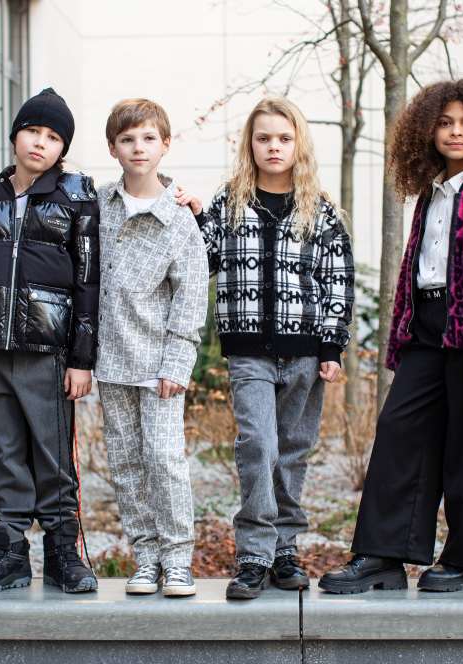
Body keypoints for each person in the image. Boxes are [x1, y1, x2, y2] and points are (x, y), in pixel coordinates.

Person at [319, 79, 463, 595]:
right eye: (445, 123)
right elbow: (417, 268)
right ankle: (382, 556)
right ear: (428, 129)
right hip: (426, 329)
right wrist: (402, 332)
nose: (455, 132)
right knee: (398, 434)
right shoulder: (431, 190)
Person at [192, 97, 354, 600]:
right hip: (249, 353)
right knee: (258, 445)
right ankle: (254, 554)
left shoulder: (319, 210)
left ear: (297, 143)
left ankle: (286, 548)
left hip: (305, 349)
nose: (274, 147)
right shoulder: (230, 202)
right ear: (251, 144)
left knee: (292, 451)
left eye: (283, 138)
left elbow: (337, 280)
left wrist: (331, 345)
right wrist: (190, 216)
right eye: (264, 138)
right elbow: (201, 256)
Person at [0, 88, 100, 595]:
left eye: (53, 136)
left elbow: (88, 283)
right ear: (15, 134)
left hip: (51, 350)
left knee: (53, 451)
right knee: (5, 448)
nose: (40, 142)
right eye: (33, 131)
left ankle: (63, 552)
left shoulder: (76, 201)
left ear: (63, 148)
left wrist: (81, 359)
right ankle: (9, 552)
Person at [95, 98, 208, 597]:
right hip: (109, 362)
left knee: (164, 459)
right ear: (113, 148)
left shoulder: (180, 217)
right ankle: (146, 558)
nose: (138, 148)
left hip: (159, 364)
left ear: (165, 144)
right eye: (127, 139)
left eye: (147, 138)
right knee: (125, 464)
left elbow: (191, 296)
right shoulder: (97, 204)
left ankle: (178, 559)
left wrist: (178, 363)